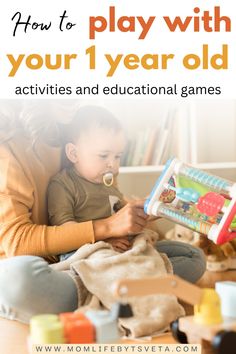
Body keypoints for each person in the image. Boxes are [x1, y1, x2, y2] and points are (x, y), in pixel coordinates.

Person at [0, 100, 206, 325]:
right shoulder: (11, 149)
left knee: (193, 257)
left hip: (112, 252)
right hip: (65, 262)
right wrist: (107, 228)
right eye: (105, 157)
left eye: (117, 157)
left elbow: (111, 207)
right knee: (16, 279)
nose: (112, 165)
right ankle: (129, 288)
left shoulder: (87, 127)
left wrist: (145, 211)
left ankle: (107, 292)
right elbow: (16, 242)